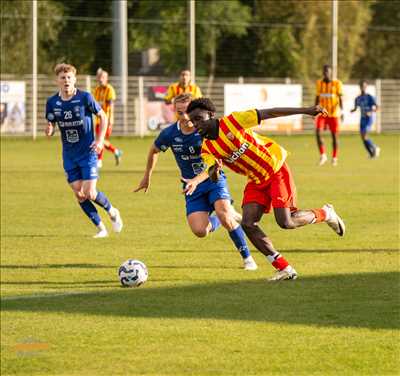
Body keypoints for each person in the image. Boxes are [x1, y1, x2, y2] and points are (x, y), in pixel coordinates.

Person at [183, 98, 346, 281]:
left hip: (275, 169)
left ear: (211, 114)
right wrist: (214, 171)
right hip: (256, 179)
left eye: (198, 118)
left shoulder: (233, 121)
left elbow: (271, 112)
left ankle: (325, 213)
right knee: (248, 223)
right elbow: (213, 174)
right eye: (192, 121)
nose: (196, 125)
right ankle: (284, 268)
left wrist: (306, 110)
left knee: (286, 222)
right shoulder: (207, 148)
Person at [134, 93, 257, 271]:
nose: (184, 116)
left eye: (187, 112)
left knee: (226, 217)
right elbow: (154, 150)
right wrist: (147, 176)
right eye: (179, 112)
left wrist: (197, 179)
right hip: (191, 187)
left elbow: (215, 162)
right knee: (200, 231)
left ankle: (248, 259)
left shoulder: (206, 131)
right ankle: (224, 216)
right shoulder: (169, 134)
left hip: (213, 179)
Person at [45, 63, 123, 238]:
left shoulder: (85, 98)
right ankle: (101, 228)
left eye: (69, 77)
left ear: (74, 79)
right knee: (79, 194)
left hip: (88, 152)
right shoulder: (52, 102)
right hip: (69, 155)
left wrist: (100, 140)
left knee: (90, 192)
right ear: (57, 80)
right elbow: (51, 123)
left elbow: (102, 116)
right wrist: (49, 129)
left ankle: (112, 212)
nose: (66, 80)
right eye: (62, 77)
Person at [92, 68, 122, 168]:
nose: (101, 79)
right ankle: (116, 151)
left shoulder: (110, 89)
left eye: (103, 77)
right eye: (99, 77)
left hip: (106, 120)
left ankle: (99, 160)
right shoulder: (96, 90)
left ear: (107, 78)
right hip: (97, 120)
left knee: (100, 139)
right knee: (99, 140)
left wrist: (110, 121)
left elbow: (111, 106)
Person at [315, 64, 343, 166]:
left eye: (328, 71)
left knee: (334, 137)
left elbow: (340, 98)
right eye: (325, 71)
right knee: (318, 132)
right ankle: (323, 155)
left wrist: (342, 111)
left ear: (331, 72)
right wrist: (314, 110)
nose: (326, 73)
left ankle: (334, 157)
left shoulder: (337, 83)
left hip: (334, 114)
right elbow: (317, 97)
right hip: (322, 113)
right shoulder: (319, 83)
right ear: (323, 72)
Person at [351, 80, 380, 158]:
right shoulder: (358, 98)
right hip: (362, 119)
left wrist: (370, 112)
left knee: (365, 136)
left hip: (368, 119)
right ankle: (371, 154)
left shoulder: (370, 97)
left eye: (364, 86)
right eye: (361, 86)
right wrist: (352, 110)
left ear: (366, 87)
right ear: (360, 87)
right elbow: (355, 107)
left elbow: (377, 107)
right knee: (363, 138)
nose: (363, 88)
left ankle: (375, 147)